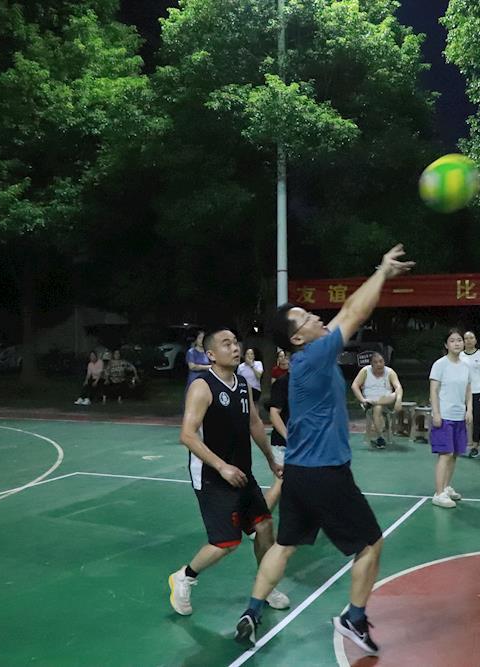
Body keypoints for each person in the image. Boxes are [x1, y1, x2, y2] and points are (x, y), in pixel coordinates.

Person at [233, 244, 414, 655]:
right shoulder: (314, 355)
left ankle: (252, 611)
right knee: (370, 544)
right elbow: (353, 312)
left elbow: (342, 315)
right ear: (298, 337)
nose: (316, 317)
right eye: (306, 317)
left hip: (298, 473)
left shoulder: (305, 358)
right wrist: (382, 272)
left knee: (285, 545)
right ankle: (354, 619)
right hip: (326, 473)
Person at [169, 327, 288, 618]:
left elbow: (254, 423)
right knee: (225, 543)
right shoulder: (202, 386)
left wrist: (271, 459)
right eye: (226, 344)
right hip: (212, 477)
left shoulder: (242, 383)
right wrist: (221, 466)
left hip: (241, 473)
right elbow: (187, 435)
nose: (235, 348)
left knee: (264, 526)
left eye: (236, 342)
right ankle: (184, 576)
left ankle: (264, 585)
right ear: (211, 354)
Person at [428, 329, 472, 508]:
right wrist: (436, 413)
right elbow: (434, 390)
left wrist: (469, 410)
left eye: (459, 340)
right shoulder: (440, 364)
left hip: (459, 416)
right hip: (444, 416)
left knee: (454, 454)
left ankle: (446, 487)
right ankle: (438, 494)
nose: (457, 343)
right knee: (445, 454)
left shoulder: (466, 365)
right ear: (446, 345)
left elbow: (468, 389)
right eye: (452, 340)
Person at [350, 352, 403, 449]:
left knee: (395, 394)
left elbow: (398, 387)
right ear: (371, 364)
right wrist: (362, 400)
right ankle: (380, 437)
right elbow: (354, 386)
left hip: (386, 399)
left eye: (381, 361)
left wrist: (398, 400)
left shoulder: (390, 372)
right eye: (376, 362)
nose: (379, 364)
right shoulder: (365, 371)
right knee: (377, 408)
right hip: (368, 400)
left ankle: (374, 403)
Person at [461, 330, 480, 457]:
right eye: (466, 338)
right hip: (461, 392)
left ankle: (475, 445)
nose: (468, 341)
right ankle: (461, 443)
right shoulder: (459, 355)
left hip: (477, 392)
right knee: (460, 417)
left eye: (471, 338)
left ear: (475, 340)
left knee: (477, 418)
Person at [264, 371, 290, 509]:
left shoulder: (307, 381)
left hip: (304, 445)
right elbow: (274, 415)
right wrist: (289, 438)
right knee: (281, 483)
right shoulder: (282, 383)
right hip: (283, 445)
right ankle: (259, 519)